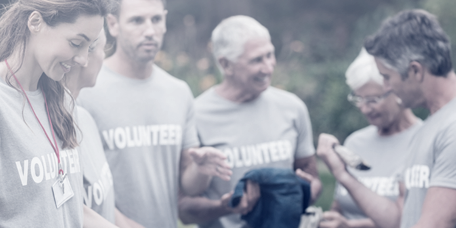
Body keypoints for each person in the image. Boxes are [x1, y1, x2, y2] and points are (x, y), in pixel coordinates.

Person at [77, 0, 232, 227]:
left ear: (165, 21)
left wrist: (200, 169)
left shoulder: (178, 91)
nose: (149, 31)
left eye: (156, 19)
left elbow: (189, 187)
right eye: (137, 20)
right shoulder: (86, 89)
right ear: (113, 24)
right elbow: (78, 188)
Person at [178, 15, 322, 228]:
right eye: (257, 60)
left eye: (270, 55)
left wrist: (305, 191)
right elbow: (185, 210)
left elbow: (314, 180)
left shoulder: (292, 107)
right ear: (226, 64)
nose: (268, 67)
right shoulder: (196, 115)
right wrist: (225, 206)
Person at [317, 9, 456, 228]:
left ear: (415, 71)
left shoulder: (452, 129)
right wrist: (342, 174)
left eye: (386, 77)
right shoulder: (427, 129)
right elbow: (397, 221)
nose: (386, 87)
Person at [0, 0, 108, 227]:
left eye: (89, 47)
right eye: (75, 43)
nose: (83, 60)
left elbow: (69, 206)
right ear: (36, 22)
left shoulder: (64, 101)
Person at [318, 48, 422, 228]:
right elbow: (341, 205)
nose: (364, 109)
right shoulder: (355, 142)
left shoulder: (423, 140)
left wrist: (351, 226)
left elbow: (408, 220)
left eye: (373, 99)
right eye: (359, 99)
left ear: (396, 89)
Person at [65, 28, 145, 228]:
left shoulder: (84, 118)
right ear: (84, 56)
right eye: (103, 49)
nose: (104, 57)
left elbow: (102, 207)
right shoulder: (50, 128)